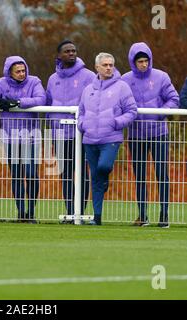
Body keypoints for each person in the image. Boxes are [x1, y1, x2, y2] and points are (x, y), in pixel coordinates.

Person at [0, 56, 46, 223]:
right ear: (10, 72)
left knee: (31, 174)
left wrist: (18, 102)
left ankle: (31, 211)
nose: (22, 74)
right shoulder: (0, 83)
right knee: (16, 174)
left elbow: (41, 99)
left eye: (23, 70)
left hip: (31, 136)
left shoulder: (34, 81)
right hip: (10, 137)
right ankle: (21, 212)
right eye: (18, 71)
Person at [122, 42, 179, 228]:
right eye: (140, 61)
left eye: (146, 60)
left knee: (162, 174)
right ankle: (143, 215)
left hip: (158, 133)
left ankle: (164, 215)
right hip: (136, 134)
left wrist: (161, 112)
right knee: (140, 176)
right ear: (133, 61)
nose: (143, 64)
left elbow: (174, 99)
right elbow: (119, 102)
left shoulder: (162, 77)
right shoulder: (124, 80)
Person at [78, 53, 137, 225]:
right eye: (105, 65)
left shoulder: (122, 87)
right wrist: (83, 125)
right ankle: (97, 217)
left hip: (111, 137)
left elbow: (132, 111)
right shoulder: (88, 89)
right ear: (97, 67)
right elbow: (81, 112)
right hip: (89, 139)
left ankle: (104, 179)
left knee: (103, 167)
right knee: (95, 178)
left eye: (111, 64)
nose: (109, 67)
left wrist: (116, 122)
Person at [46, 40, 95, 220]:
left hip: (80, 134)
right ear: (59, 55)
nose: (71, 54)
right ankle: (70, 211)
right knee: (65, 173)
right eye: (67, 51)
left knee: (82, 172)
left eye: (74, 50)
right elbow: (48, 104)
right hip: (59, 134)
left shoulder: (89, 76)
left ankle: (80, 211)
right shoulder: (53, 79)